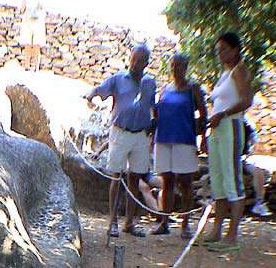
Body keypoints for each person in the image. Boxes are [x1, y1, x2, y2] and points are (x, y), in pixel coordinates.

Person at [83, 44, 156, 238]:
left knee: (135, 179)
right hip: (120, 133)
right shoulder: (118, 79)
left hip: (140, 135)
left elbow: (153, 107)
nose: (135, 63)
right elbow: (98, 89)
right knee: (116, 177)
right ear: (129, 58)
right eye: (133, 59)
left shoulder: (150, 83)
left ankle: (129, 223)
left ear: (146, 63)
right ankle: (113, 222)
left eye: (140, 60)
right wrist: (90, 96)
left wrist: (153, 130)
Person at [205, 32, 254, 251]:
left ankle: (232, 235)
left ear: (235, 49)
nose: (220, 53)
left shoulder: (239, 71)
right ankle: (217, 229)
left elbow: (246, 100)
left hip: (231, 126)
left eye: (224, 49)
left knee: (232, 178)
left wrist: (223, 114)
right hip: (217, 129)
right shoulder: (224, 74)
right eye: (218, 50)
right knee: (218, 178)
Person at [151, 53, 207, 239]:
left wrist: (203, 137)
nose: (176, 68)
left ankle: (185, 224)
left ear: (186, 67)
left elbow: (203, 113)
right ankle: (164, 222)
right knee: (167, 182)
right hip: (164, 138)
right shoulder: (165, 89)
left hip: (184, 139)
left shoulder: (193, 89)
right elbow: (157, 114)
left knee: (186, 182)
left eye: (180, 65)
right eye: (173, 65)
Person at [242, 119, 271, 216]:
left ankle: (259, 202)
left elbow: (254, 142)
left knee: (258, 172)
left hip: (241, 158)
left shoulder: (247, 124)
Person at [19, 0, 46, 72]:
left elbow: (42, 6)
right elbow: (22, 9)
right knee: (27, 44)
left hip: (38, 21)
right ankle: (27, 66)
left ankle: (35, 67)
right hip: (27, 21)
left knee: (36, 45)